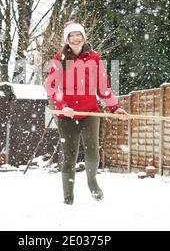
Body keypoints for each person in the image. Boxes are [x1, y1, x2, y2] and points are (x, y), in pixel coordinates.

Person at [44, 22, 128, 205]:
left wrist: (114, 107)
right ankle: (68, 197)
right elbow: (51, 86)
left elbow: (103, 86)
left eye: (78, 34)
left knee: (93, 151)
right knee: (69, 155)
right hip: (66, 114)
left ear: (83, 37)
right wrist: (62, 104)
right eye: (71, 35)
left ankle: (92, 182)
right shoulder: (59, 59)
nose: (75, 38)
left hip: (90, 112)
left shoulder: (94, 58)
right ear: (67, 39)